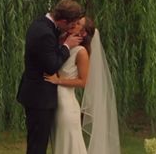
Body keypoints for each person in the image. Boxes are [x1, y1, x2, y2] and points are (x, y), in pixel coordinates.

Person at [17, 0, 85, 154]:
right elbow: (52, 65)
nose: (73, 27)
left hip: (38, 95)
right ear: (61, 20)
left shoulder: (42, 23)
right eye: (71, 24)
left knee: (38, 141)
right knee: (38, 145)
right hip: (39, 97)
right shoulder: (45, 33)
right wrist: (67, 45)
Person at [44, 17, 121, 154]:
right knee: (59, 145)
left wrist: (58, 81)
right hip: (54, 102)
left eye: (78, 23)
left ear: (83, 33)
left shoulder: (81, 52)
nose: (73, 23)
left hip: (66, 105)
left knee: (69, 146)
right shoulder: (63, 44)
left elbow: (83, 81)